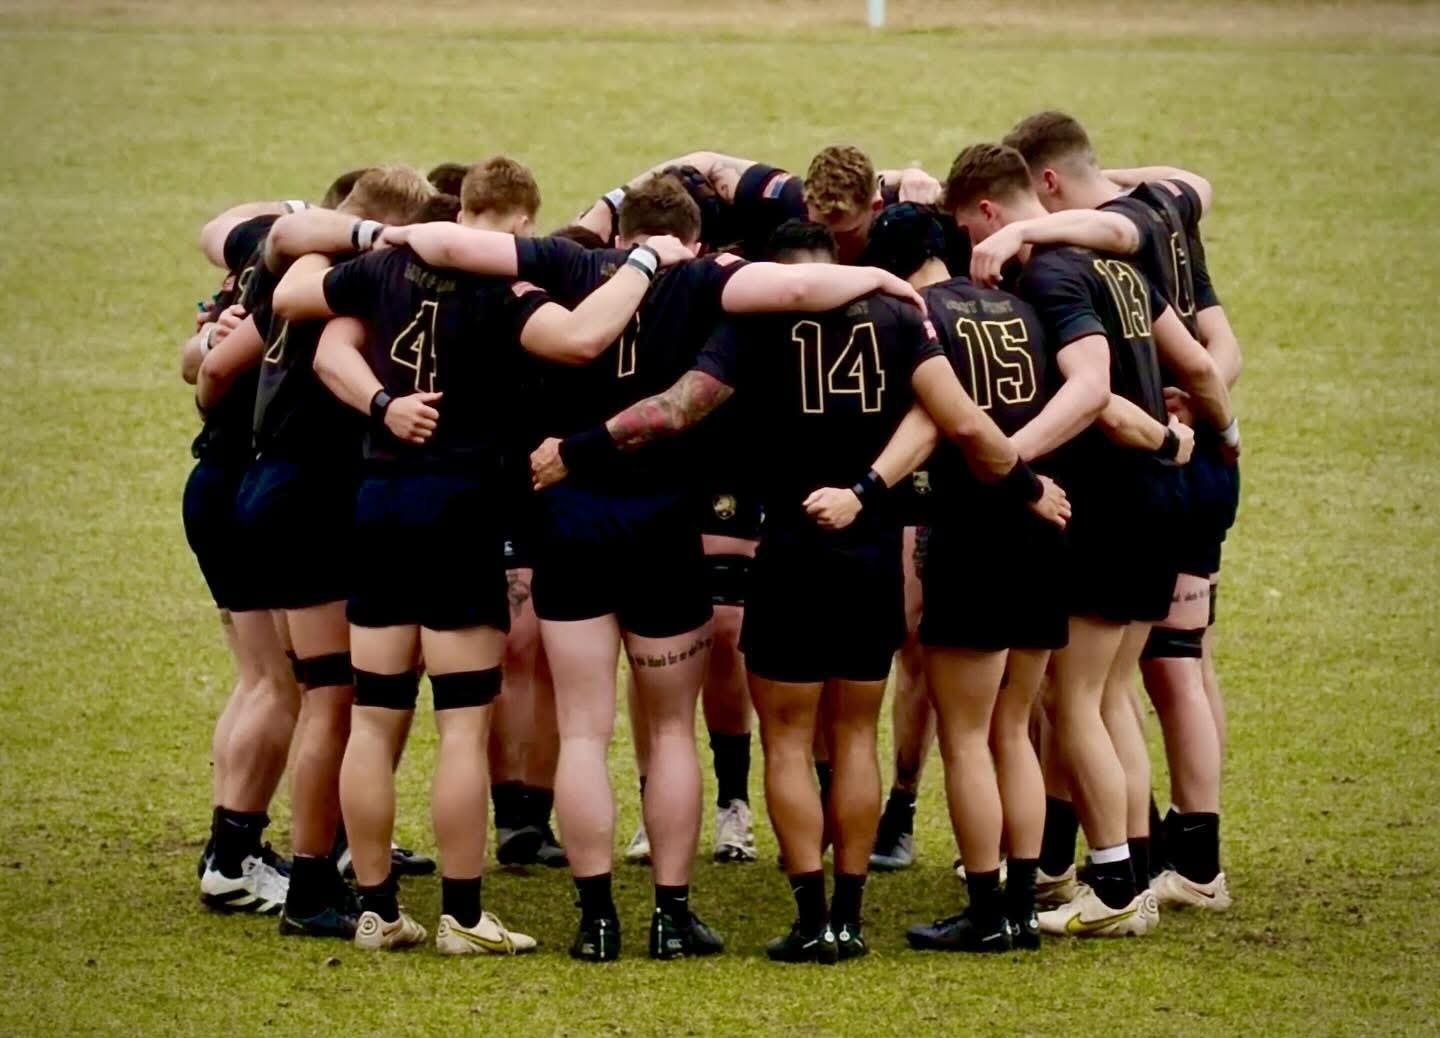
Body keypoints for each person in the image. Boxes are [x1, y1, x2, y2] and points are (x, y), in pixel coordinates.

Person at [391, 177, 932, 961]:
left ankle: (596, 918)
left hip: (569, 522)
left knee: (583, 729)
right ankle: (671, 915)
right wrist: (880, 275)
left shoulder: (563, 266)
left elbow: (443, 242)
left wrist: (378, 239)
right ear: (694, 238)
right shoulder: (703, 279)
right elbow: (806, 282)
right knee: (672, 729)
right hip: (663, 532)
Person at [533, 220, 1067, 963]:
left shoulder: (751, 326)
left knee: (785, 743)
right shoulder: (896, 317)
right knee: (854, 737)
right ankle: (851, 919)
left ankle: (811, 916)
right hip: (870, 551)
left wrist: (577, 449)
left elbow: (681, 405)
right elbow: (954, 420)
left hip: (788, 551)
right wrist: (1019, 485)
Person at [272, 157, 689, 951]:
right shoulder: (507, 290)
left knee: (372, 715)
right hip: (462, 507)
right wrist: (645, 260)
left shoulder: (386, 266)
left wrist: (383, 404)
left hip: (380, 502)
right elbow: (582, 339)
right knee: (461, 727)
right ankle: (463, 916)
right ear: (521, 226)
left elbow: (303, 310)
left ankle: (375, 908)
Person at [946, 142, 1234, 938]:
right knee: (1110, 698)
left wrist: (1009, 459)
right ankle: (1134, 876)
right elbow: (1194, 363)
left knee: (1072, 698)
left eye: (968, 227)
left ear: (989, 211)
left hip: (1106, 506)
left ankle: (1109, 885)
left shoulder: (1047, 273)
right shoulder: (1120, 265)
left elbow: (1092, 392)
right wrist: (1189, 438)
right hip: (1162, 499)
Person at [229, 166, 437, 939]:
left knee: (323, 690)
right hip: (308, 496)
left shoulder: (292, 266)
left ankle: (322, 864)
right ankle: (314, 882)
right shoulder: (336, 276)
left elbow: (276, 235)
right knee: (334, 696)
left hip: (274, 484)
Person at [187, 201, 304, 914]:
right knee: (277, 685)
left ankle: (229, 844)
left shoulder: (253, 277)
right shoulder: (296, 295)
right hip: (243, 489)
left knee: (257, 678)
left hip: (217, 482)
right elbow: (201, 379)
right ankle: (233, 858)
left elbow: (197, 373)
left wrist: (205, 345)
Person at [577, 145, 942, 260]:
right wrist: (604, 209)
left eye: (844, 234)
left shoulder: (904, 216)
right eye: (818, 227)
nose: (828, 244)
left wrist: (913, 177)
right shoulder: (784, 197)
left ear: (875, 208)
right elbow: (698, 162)